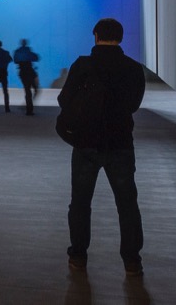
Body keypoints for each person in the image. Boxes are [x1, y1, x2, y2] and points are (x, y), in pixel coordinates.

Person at [58, 17, 146, 275]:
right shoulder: (133, 68)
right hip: (120, 144)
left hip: (85, 144)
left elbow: (64, 99)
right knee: (127, 204)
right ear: (120, 38)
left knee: (80, 203)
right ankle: (131, 261)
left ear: (95, 36)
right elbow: (134, 105)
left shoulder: (83, 65)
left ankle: (78, 256)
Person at [12, 38, 41, 115]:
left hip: (23, 73)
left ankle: (28, 108)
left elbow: (15, 60)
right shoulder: (28, 51)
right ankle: (29, 108)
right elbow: (36, 58)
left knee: (28, 91)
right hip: (30, 72)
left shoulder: (18, 51)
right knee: (35, 90)